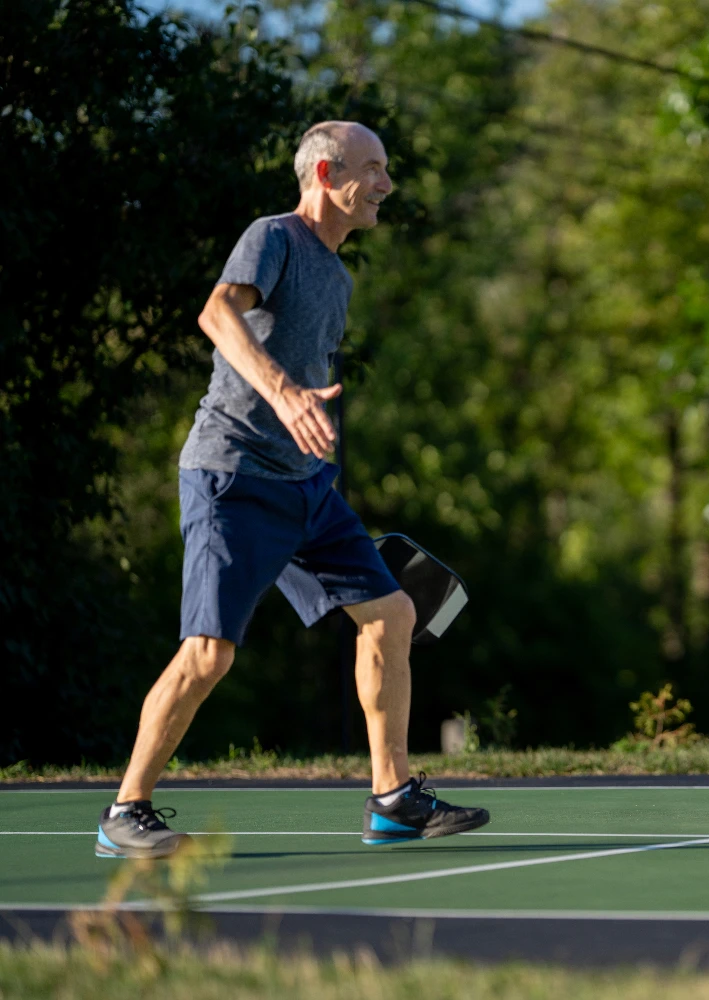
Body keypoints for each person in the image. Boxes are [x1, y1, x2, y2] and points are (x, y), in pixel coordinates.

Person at [95, 121, 490, 859]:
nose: (386, 185)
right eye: (374, 169)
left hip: (305, 488)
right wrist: (283, 394)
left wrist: (310, 424)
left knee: (392, 613)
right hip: (231, 475)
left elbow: (307, 375)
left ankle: (393, 799)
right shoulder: (271, 236)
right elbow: (217, 314)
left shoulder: (338, 275)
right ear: (325, 173)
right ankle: (126, 809)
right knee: (210, 654)